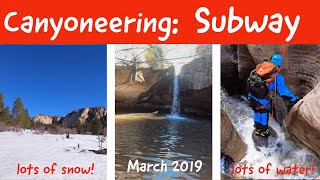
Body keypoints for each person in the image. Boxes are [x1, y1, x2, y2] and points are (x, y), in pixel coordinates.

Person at [247, 54, 299, 137]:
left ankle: (257, 129)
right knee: (263, 114)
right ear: (279, 67)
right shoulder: (277, 77)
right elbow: (284, 92)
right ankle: (264, 132)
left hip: (251, 96)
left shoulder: (260, 69)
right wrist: (295, 99)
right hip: (262, 100)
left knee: (257, 113)